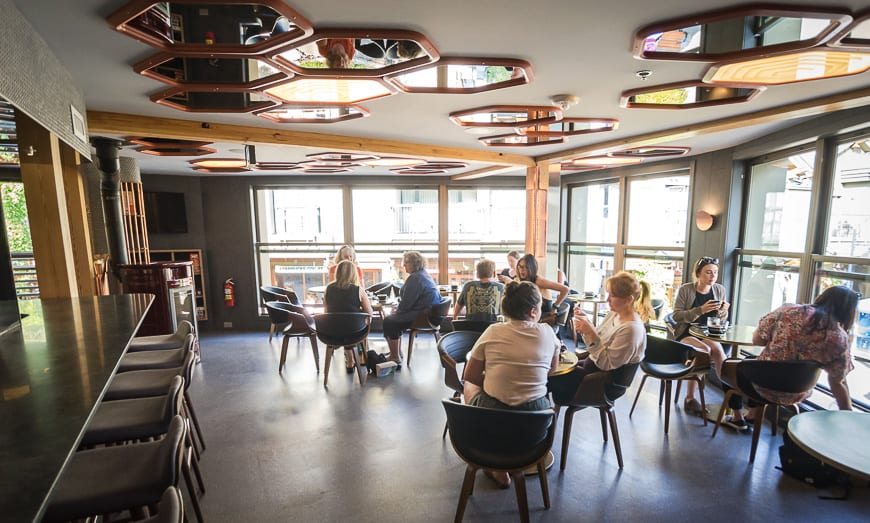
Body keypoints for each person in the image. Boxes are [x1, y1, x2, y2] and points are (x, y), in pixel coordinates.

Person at [462, 280, 561, 489]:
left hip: (494, 422)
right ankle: (514, 460)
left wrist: (492, 381)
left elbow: (469, 374)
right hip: (535, 426)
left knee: (469, 386)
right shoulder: (547, 332)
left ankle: (498, 468)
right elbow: (551, 371)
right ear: (534, 311)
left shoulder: (493, 331)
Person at [716, 285, 857, 431]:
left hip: (761, 385)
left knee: (732, 366)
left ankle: (737, 418)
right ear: (848, 312)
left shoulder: (788, 311)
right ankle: (752, 415)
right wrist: (848, 420)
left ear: (822, 297)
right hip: (797, 392)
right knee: (753, 365)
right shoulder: (839, 338)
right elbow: (837, 381)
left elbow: (757, 340)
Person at [548, 271, 647, 405]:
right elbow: (598, 339)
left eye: (612, 295)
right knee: (547, 370)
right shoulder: (614, 314)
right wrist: (586, 323)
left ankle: (539, 420)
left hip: (601, 384)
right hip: (591, 369)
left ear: (629, 299)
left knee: (545, 379)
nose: (607, 300)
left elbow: (606, 364)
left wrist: (590, 333)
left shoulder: (631, 329)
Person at [671, 256, 730, 418]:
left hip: (707, 333)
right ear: (698, 274)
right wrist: (700, 310)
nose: (712, 276)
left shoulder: (719, 290)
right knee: (703, 351)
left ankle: (730, 396)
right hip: (686, 332)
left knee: (718, 351)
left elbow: (721, 319)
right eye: (708, 272)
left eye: (715, 273)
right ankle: (690, 398)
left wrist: (723, 311)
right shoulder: (686, 290)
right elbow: (676, 316)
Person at [383, 251, 440, 365]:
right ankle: (397, 353)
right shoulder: (423, 274)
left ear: (414, 263)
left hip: (422, 317)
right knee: (394, 319)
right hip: (430, 315)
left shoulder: (415, 278)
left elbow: (407, 303)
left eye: (406, 263)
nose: (404, 265)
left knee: (389, 321)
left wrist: (397, 310)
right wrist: (399, 310)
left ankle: (395, 356)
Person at [324, 260, 374, 373]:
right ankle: (358, 358)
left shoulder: (328, 289)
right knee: (355, 323)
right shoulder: (358, 290)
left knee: (343, 324)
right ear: (353, 273)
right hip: (354, 332)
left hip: (332, 332)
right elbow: (370, 313)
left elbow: (326, 312)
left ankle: (350, 363)